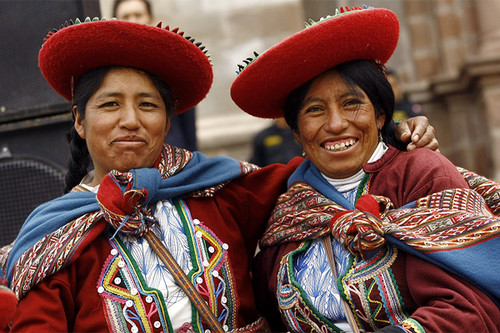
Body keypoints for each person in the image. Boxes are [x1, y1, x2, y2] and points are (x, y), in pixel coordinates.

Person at [0, 14, 441, 333]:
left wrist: (391, 139)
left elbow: (319, 173)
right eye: (110, 104)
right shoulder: (55, 237)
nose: (131, 120)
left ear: (168, 121)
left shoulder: (220, 189)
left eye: (148, 104)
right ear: (79, 120)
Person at [231, 5, 500, 332]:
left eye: (351, 103)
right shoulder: (287, 206)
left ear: (381, 115)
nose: (335, 124)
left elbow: (466, 306)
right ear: (297, 132)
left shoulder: (419, 173)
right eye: (315, 110)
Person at [113, 0, 199, 151]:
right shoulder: (107, 65)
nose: (133, 20)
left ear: (150, 19)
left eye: (138, 14)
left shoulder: (170, 62)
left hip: (171, 151)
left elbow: (187, 118)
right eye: (126, 16)